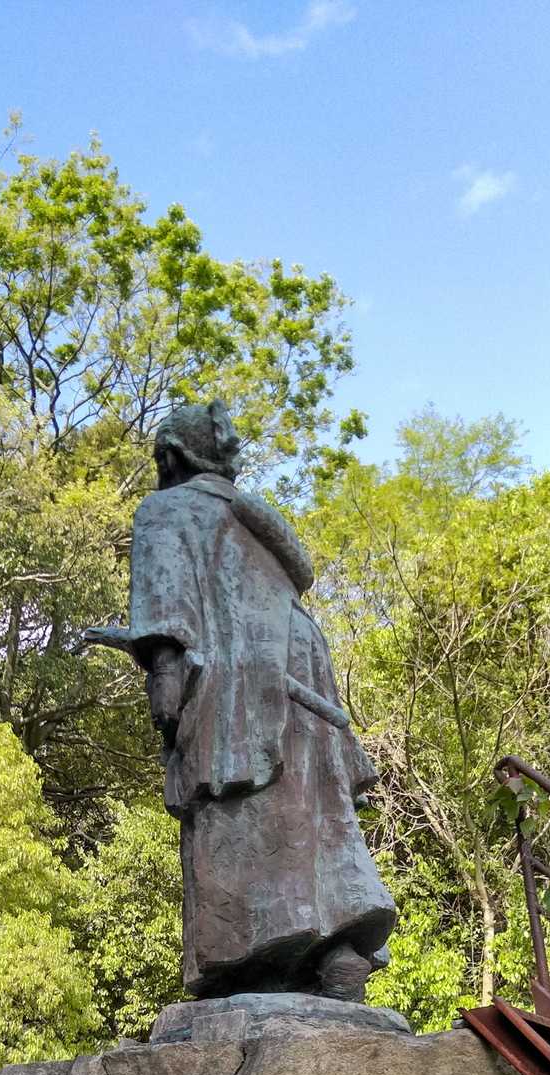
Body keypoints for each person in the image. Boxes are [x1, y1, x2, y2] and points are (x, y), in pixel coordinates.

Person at [123, 399, 396, 999]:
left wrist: (164, 680)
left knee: (234, 812)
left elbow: (167, 607)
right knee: (309, 811)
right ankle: (332, 954)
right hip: (299, 663)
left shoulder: (165, 509)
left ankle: (258, 966)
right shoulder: (253, 517)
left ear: (172, 457)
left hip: (233, 674)